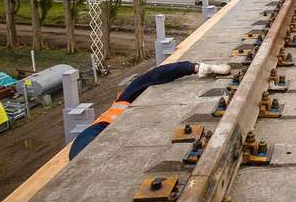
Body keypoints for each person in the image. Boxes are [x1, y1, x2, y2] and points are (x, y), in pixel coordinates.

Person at [69, 61, 230, 159]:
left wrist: (197, 68)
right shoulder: (127, 97)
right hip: (99, 130)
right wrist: (197, 67)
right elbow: (156, 74)